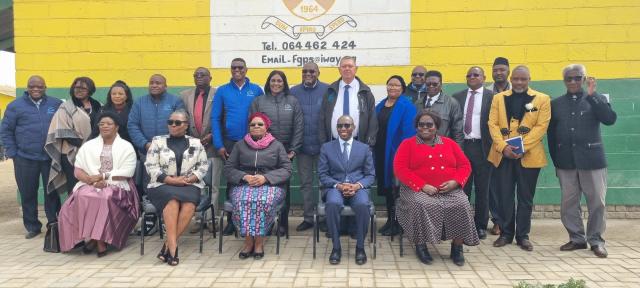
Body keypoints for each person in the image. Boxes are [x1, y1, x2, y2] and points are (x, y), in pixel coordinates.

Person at [548, 64, 617, 258]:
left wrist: (593, 95)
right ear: (564, 81)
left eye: (577, 78)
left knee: (597, 202)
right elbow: (551, 135)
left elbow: (609, 119)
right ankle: (577, 239)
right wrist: (557, 160)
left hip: (592, 161)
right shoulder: (557, 104)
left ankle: (596, 240)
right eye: (568, 78)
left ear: (584, 79)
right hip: (566, 163)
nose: (573, 82)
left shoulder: (596, 99)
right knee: (568, 204)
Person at [393, 110, 478, 266]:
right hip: (416, 190)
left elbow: (465, 165)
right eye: (421, 124)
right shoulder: (408, 144)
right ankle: (421, 245)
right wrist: (422, 185)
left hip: (449, 189)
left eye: (429, 124)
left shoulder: (450, 143)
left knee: (462, 204)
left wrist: (455, 182)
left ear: (436, 126)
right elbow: (400, 168)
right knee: (422, 204)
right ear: (416, 126)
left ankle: (457, 247)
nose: (425, 127)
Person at [58, 112, 139, 256]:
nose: (105, 126)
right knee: (81, 195)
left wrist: (104, 177)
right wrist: (89, 180)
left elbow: (128, 171)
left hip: (118, 185)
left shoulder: (126, 146)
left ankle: (98, 240)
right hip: (90, 183)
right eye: (102, 124)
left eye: (109, 124)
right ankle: (98, 240)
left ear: (117, 127)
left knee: (104, 197)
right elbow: (78, 169)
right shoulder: (88, 145)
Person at [488, 65, 551, 252]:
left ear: (529, 79)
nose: (519, 82)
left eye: (523, 79)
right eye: (516, 79)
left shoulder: (542, 99)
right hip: (503, 155)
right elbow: (492, 124)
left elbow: (541, 127)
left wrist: (522, 147)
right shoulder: (498, 98)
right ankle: (506, 234)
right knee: (505, 196)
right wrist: (503, 147)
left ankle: (523, 236)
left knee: (525, 198)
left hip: (529, 156)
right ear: (511, 78)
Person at [0, 76, 62, 239]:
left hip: (49, 157)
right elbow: (5, 131)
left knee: (51, 192)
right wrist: (13, 153)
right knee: (27, 192)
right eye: (32, 86)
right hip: (24, 158)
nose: (36, 89)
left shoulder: (55, 104)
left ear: (45, 87)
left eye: (40, 86)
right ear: (27, 88)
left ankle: (53, 224)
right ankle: (32, 226)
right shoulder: (15, 106)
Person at [145, 110, 210, 266]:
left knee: (189, 205)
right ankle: (173, 246)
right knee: (172, 201)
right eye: (170, 122)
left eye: (178, 122)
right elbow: (151, 166)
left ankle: (167, 244)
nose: (173, 125)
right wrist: (172, 181)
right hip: (162, 184)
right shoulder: (157, 141)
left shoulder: (196, 143)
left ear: (186, 125)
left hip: (189, 184)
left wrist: (189, 179)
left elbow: (203, 166)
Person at [224, 112, 291, 260]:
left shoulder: (277, 145)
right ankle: (248, 242)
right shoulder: (240, 145)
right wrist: (244, 176)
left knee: (262, 201)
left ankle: (259, 242)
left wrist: (265, 178)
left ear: (266, 127)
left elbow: (287, 169)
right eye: (253, 124)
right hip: (244, 185)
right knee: (243, 201)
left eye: (260, 124)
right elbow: (228, 169)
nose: (256, 127)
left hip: (270, 185)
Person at [211, 58, 264, 236]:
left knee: (251, 180)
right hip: (230, 143)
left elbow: (261, 117)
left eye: (240, 67)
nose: (237, 70)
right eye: (233, 67)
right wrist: (218, 144)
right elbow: (215, 119)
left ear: (246, 69)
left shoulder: (256, 90)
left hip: (252, 144)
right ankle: (231, 222)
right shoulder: (222, 91)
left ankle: (250, 220)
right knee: (232, 181)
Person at [128, 74, 184, 236]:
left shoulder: (175, 102)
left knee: (169, 185)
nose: (154, 85)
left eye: (158, 83)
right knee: (150, 186)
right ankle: (152, 221)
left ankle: (168, 220)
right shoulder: (140, 103)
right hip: (147, 152)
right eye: (151, 82)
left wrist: (167, 145)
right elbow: (132, 125)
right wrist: (145, 144)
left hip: (170, 153)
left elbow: (180, 123)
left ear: (165, 86)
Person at [250, 70, 303, 236]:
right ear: (268, 82)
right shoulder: (259, 101)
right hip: (265, 150)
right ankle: (266, 222)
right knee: (266, 186)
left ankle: (283, 223)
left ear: (284, 83)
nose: (276, 84)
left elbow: (298, 126)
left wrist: (293, 150)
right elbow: (253, 125)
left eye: (280, 81)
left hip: (286, 151)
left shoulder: (292, 101)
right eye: (273, 81)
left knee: (283, 186)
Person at [318, 115, 375, 265]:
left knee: (363, 205)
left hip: (357, 188)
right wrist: (339, 185)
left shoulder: (364, 148)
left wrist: (357, 186)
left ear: (353, 127)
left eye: (347, 125)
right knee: (332, 204)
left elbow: (370, 175)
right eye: (340, 126)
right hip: (335, 187)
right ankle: (336, 247)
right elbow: (323, 174)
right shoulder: (327, 147)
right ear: (336, 128)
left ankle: (360, 247)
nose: (343, 128)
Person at [452, 66, 495, 240]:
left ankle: (480, 225)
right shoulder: (458, 97)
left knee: (483, 189)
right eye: (469, 75)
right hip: (463, 147)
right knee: (463, 187)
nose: (472, 77)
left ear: (483, 77)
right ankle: (463, 223)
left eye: (476, 75)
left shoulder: (492, 98)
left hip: (483, 147)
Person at [179, 67, 221, 233]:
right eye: (196, 75)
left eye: (203, 75)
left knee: (214, 185)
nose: (199, 77)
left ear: (210, 77)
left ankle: (212, 219)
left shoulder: (218, 94)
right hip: (193, 147)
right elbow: (182, 118)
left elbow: (222, 117)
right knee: (197, 183)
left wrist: (212, 135)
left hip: (212, 144)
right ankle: (198, 218)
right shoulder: (184, 95)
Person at [374, 75, 416, 236]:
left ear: (402, 88)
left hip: (396, 153)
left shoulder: (407, 106)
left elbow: (408, 134)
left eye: (396, 85)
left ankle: (399, 223)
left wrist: (402, 154)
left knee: (397, 189)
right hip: (382, 152)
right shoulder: (381, 105)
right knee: (387, 189)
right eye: (390, 84)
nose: (393, 88)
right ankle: (390, 220)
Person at [290, 62, 329, 232]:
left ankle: (323, 217)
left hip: (323, 147)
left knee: (323, 183)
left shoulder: (328, 90)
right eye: (305, 71)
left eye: (312, 71)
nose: (308, 73)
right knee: (305, 184)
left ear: (318, 72)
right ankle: (307, 218)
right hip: (303, 146)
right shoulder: (294, 92)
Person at [45, 77, 100, 196]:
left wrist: (93, 145)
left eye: (83, 88)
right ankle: (73, 212)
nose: (79, 90)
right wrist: (85, 144)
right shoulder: (66, 107)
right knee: (74, 186)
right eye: (76, 87)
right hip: (71, 153)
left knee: (92, 184)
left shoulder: (97, 106)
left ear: (90, 90)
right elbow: (62, 130)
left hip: (93, 153)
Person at [319, 56, 378, 147]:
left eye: (350, 66)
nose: (347, 68)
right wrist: (324, 143)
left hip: (358, 143)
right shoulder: (330, 91)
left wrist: (369, 144)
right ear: (339, 69)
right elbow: (322, 117)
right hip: (333, 144)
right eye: (344, 66)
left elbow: (372, 120)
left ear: (356, 69)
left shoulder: (365, 92)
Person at [486, 57, 511, 236]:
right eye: (496, 70)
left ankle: (510, 221)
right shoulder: (487, 93)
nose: (499, 73)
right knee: (494, 186)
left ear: (508, 71)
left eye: (502, 69)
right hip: (492, 145)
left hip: (515, 146)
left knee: (510, 186)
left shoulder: (518, 89)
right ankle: (497, 221)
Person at [413, 70, 464, 146]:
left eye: (435, 84)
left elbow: (458, 132)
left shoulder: (452, 103)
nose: (431, 86)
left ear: (441, 84)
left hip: (442, 149)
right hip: (421, 148)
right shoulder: (418, 103)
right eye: (428, 84)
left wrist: (458, 152)